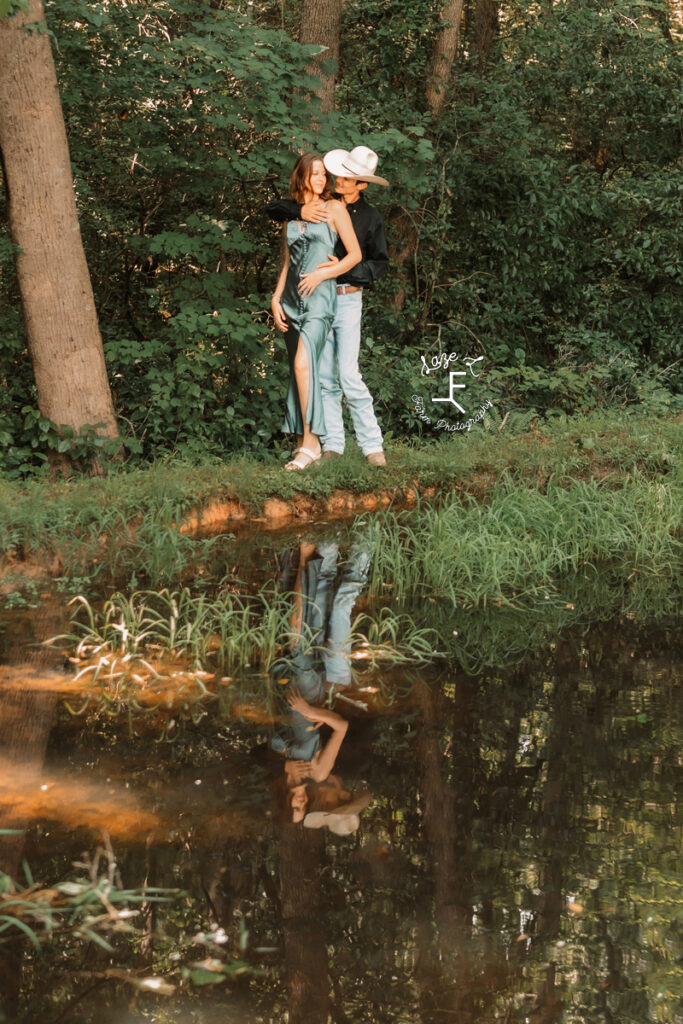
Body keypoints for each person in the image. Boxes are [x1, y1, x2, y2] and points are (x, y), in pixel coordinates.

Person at [268, 146, 390, 467]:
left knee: (348, 374)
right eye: (334, 174)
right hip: (313, 297)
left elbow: (373, 262)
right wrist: (298, 213)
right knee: (323, 378)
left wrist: (337, 270)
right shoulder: (313, 207)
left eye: (345, 177)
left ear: (360, 185)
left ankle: (372, 446)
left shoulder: (369, 217)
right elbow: (279, 213)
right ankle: (333, 444)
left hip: (347, 297)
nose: (336, 179)